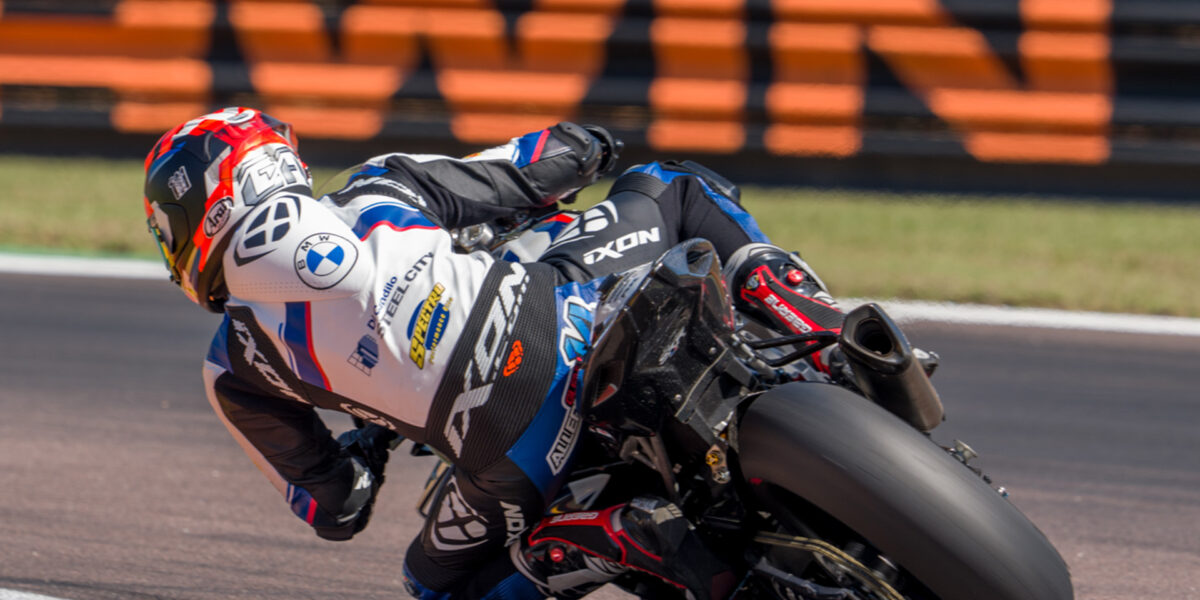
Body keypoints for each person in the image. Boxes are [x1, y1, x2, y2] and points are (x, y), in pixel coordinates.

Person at [142, 107, 844, 599]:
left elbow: (337, 510)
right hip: (567, 326)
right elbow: (536, 167)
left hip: (514, 456)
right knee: (677, 187)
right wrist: (590, 145)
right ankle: (825, 334)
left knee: (435, 586)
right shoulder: (378, 185)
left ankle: (606, 537)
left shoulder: (234, 367)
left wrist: (366, 444)